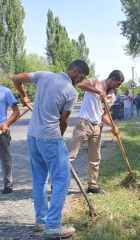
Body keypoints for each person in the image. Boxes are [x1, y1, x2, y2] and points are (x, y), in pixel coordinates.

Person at [12, 59, 89, 238]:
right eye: (81, 77)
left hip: (33, 136)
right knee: (62, 180)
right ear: (74, 70)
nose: (80, 82)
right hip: (50, 137)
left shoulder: (43, 76)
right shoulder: (70, 92)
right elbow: (64, 121)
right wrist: (59, 138)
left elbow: (16, 78)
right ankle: (53, 226)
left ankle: (42, 221)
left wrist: (23, 95)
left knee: (40, 180)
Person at [68, 70, 124, 194]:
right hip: (84, 123)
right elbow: (80, 85)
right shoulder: (94, 82)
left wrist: (113, 126)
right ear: (113, 79)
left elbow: (105, 115)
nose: (118, 86)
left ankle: (92, 186)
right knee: (70, 155)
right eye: (118, 83)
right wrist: (99, 92)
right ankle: (58, 184)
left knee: (95, 158)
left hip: (97, 127)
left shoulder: (112, 96)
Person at [0, 86, 20, 194]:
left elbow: (16, 112)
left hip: (1, 130)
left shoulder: (6, 91)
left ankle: (8, 183)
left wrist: (6, 123)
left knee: (5, 158)